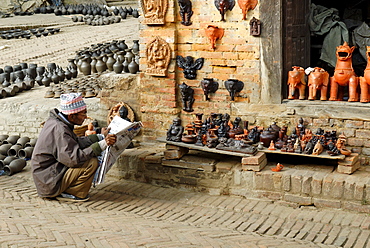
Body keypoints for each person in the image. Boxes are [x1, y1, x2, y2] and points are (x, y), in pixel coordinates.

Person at [31, 93, 117, 202]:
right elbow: (74, 159)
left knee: (89, 157)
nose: (86, 116)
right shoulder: (60, 130)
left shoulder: (59, 123)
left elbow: (75, 142)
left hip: (51, 174)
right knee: (91, 163)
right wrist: (102, 144)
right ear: (72, 116)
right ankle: (73, 192)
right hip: (49, 182)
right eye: (83, 113)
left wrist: (100, 136)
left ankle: (67, 189)